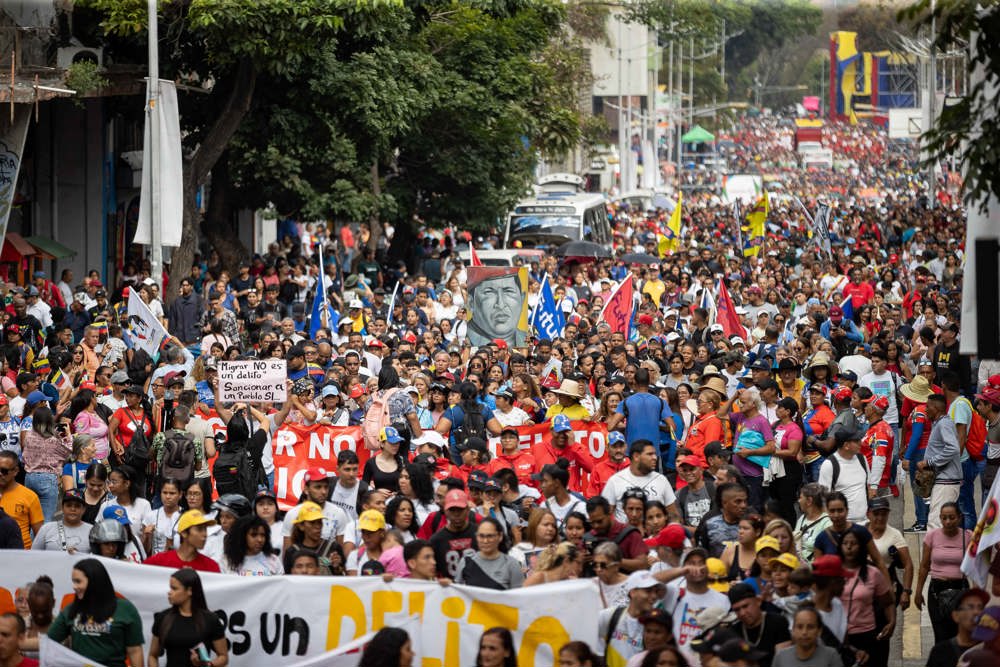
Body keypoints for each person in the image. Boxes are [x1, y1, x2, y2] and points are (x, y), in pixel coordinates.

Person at [48, 558, 144, 667]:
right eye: (73, 581)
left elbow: (135, 651)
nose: (74, 587)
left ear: (94, 581)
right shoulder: (71, 609)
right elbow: (47, 641)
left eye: (78, 581)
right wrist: (24, 643)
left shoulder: (125, 609)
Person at [654, 547, 731, 664]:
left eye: (701, 563)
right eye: (691, 563)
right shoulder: (674, 593)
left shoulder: (723, 600)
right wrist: (682, 570)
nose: (697, 567)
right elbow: (651, 582)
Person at [915, 502, 972, 644]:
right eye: (944, 518)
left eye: (951, 517)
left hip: (961, 591)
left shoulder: (968, 537)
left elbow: (977, 566)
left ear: (959, 518)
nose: (947, 522)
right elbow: (924, 566)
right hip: (936, 592)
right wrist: (918, 591)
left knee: (959, 637)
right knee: (941, 637)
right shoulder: (931, 536)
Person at [839, 527, 895, 667]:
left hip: (866, 635)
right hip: (839, 635)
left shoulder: (873, 573)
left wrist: (891, 622)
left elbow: (887, 601)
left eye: (854, 543)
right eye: (845, 543)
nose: (849, 547)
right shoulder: (833, 573)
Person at [148, 569, 228, 667]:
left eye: (174, 588)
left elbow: (223, 657)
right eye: (170, 588)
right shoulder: (163, 618)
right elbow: (152, 655)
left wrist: (207, 665)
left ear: (189, 591)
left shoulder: (210, 619)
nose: (169, 592)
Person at [601, 440, 679, 525]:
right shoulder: (615, 481)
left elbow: (674, 515)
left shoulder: (661, 480)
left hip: (657, 534)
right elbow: (605, 516)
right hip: (626, 535)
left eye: (654, 454)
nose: (655, 457)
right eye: (650, 454)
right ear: (636, 456)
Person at [917, 395, 962, 530]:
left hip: (946, 481)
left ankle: (934, 551)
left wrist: (929, 462)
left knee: (935, 522)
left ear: (936, 408)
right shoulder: (939, 423)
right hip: (944, 480)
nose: (925, 409)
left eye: (928, 406)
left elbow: (953, 448)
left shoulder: (944, 424)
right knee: (938, 522)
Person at [598, 570, 661, 667]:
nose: (654, 596)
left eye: (655, 591)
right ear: (632, 592)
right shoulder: (611, 615)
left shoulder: (655, 625)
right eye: (648, 591)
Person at [20, 407, 71, 522]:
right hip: (46, 479)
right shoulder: (52, 440)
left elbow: (24, 456)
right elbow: (67, 452)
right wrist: (68, 436)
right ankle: (40, 540)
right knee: (45, 520)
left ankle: (32, 540)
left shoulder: (28, 436)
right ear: (50, 421)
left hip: (29, 477)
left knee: (33, 519)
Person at [727, 582, 791, 667]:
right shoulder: (733, 631)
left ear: (758, 601)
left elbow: (783, 660)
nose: (742, 613)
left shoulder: (777, 622)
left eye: (745, 606)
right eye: (737, 610)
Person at [868, 496, 914, 612]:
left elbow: (908, 565)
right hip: (863, 588)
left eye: (884, 514)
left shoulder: (895, 535)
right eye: (876, 514)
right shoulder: (860, 531)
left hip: (886, 588)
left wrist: (906, 591)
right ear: (868, 514)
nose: (880, 518)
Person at [925, 588, 989, 667]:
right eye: (970, 607)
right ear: (956, 616)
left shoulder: (989, 650)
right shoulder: (940, 652)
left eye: (980, 608)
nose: (976, 612)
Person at [817, 429, 869, 523]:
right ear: (846, 446)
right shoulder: (829, 465)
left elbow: (867, 486)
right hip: (842, 524)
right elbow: (823, 499)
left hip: (865, 521)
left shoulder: (862, 459)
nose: (860, 443)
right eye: (856, 441)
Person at [465, 269, 528, 347]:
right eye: (489, 292)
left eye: (508, 291)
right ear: (471, 303)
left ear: (522, 300)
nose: (501, 305)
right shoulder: (463, 339)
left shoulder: (528, 340)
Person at [144, 510, 222, 573]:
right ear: (184, 533)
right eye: (199, 529)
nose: (205, 534)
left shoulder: (211, 567)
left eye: (205, 529)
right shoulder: (159, 561)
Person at [586, 496, 648, 573]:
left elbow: (643, 564)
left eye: (600, 521)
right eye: (592, 522)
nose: (596, 526)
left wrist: (613, 561)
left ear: (610, 513)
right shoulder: (588, 538)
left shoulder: (630, 534)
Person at [771, 605, 841, 667]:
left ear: (819, 631)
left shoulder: (831, 656)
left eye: (810, 627)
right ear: (793, 630)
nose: (804, 632)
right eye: (799, 627)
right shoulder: (781, 657)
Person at [0, 452, 43, 547]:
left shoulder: (29, 496)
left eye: (4, 471)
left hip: (19, 553)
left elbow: (39, 535)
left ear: (15, 471)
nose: (0, 474)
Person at [30, 489, 91, 553]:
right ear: (62, 507)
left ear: (84, 509)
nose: (73, 509)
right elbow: (34, 555)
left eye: (77, 506)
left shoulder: (91, 531)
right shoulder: (46, 529)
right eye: (69, 505)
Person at [793, 483, 831, 564]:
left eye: (800, 497)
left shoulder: (827, 523)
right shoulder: (801, 519)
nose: (798, 501)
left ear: (809, 501)